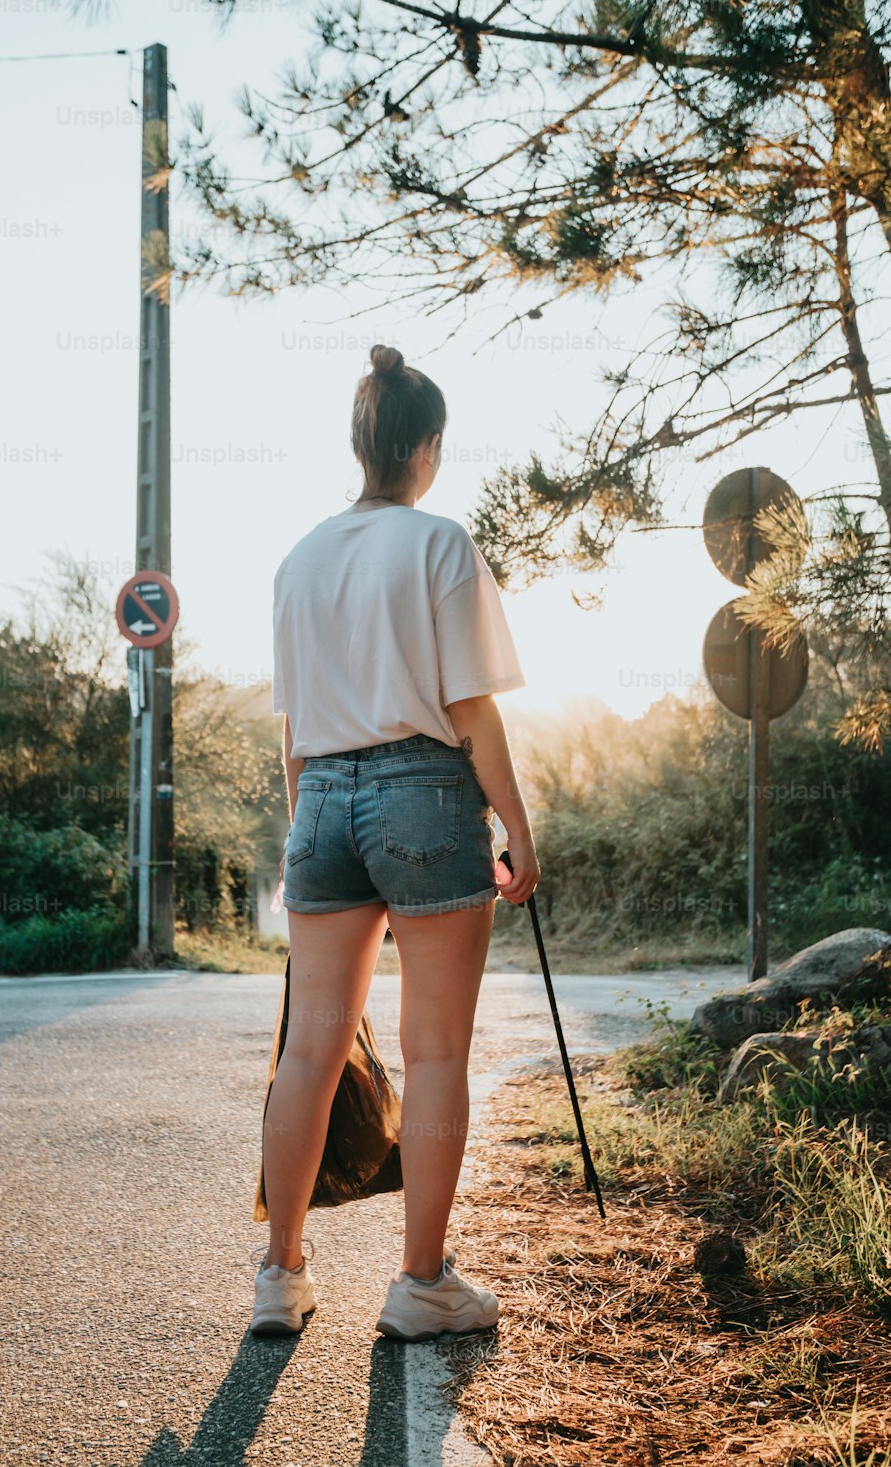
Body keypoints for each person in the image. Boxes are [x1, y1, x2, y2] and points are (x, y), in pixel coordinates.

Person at [249, 343, 541, 1340]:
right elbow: (471, 710)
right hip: (423, 794)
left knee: (310, 1050)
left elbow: (292, 730)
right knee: (434, 1053)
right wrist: (516, 825)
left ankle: (279, 1275)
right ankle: (420, 1286)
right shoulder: (440, 544)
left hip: (321, 797)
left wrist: (308, 827)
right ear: (422, 448)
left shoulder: (297, 559)